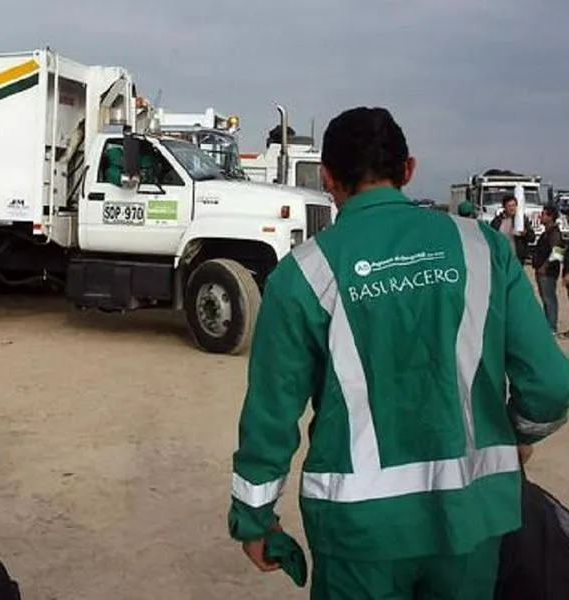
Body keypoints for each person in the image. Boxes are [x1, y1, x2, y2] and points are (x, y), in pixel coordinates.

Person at [227, 106, 569, 599]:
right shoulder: (485, 249)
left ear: (328, 178)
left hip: (359, 531)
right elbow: (551, 386)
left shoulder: (303, 274)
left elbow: (271, 413)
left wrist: (254, 518)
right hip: (471, 518)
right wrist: (515, 434)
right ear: (408, 170)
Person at [532, 204, 563, 334]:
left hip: (548, 272)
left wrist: (545, 267)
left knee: (549, 298)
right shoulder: (547, 232)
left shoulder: (554, 233)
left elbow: (557, 252)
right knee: (545, 298)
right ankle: (547, 324)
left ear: (550, 217)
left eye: (543, 214)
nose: (541, 217)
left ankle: (551, 326)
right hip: (542, 270)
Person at [490, 195, 536, 264]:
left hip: (517, 258)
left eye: (514, 205)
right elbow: (491, 237)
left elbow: (532, 238)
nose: (512, 208)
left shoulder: (521, 220)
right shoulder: (497, 221)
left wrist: (525, 233)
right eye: (509, 206)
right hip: (501, 257)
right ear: (504, 207)